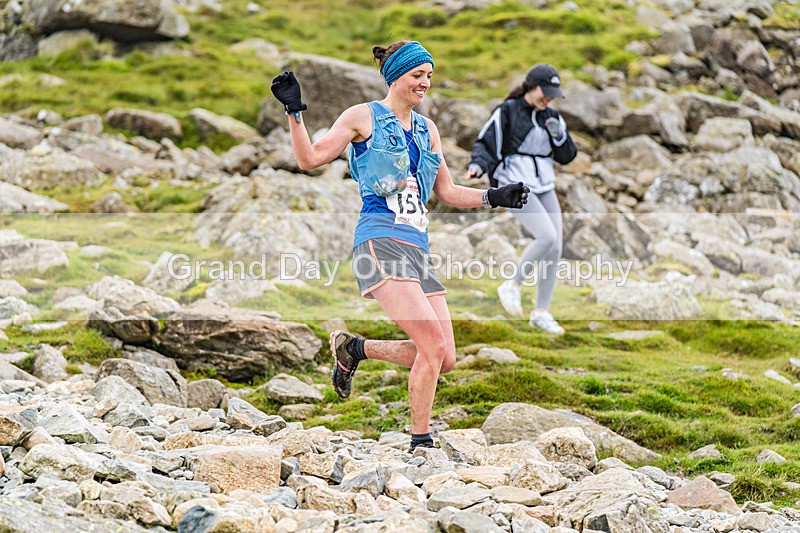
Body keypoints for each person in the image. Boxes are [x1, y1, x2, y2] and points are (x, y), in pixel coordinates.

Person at [271, 40, 529, 452]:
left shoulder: (428, 130)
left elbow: (445, 191)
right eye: (417, 75)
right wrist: (294, 112)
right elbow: (310, 159)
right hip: (378, 241)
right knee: (431, 348)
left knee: (445, 358)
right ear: (396, 77)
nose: (425, 83)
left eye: (429, 75)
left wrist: (493, 196)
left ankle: (354, 349)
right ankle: (420, 443)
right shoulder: (362, 116)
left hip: (417, 249)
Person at [466, 63, 578, 335]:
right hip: (515, 184)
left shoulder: (551, 116)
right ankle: (512, 284)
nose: (549, 98)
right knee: (546, 237)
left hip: (544, 183)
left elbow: (567, 156)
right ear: (531, 86)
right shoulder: (507, 111)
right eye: (545, 92)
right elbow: (486, 142)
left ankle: (541, 312)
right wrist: (478, 166)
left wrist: (559, 136)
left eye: (553, 93)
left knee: (555, 247)